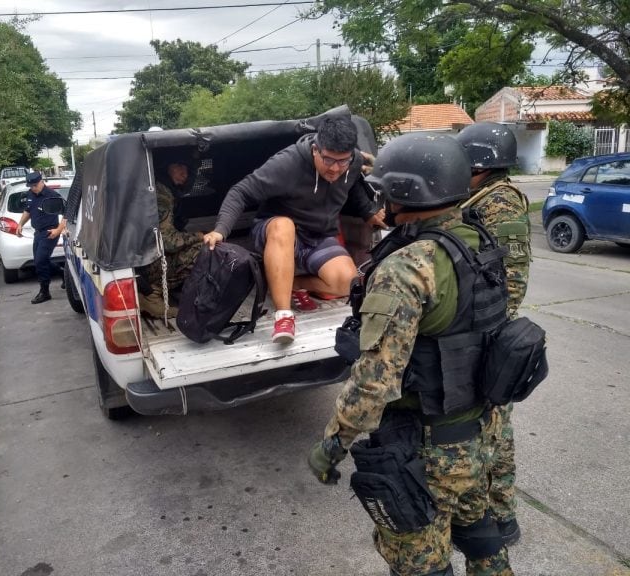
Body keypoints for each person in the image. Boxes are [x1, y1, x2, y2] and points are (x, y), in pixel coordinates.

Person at [308, 133, 514, 576]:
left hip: (426, 450)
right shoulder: (478, 241)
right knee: (481, 541)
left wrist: (333, 444)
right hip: (480, 436)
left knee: (420, 564)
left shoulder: (408, 266)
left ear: (406, 192)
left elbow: (375, 379)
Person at [202, 114, 385, 345]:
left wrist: (368, 212)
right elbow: (241, 191)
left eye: (342, 162)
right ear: (316, 149)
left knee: (348, 283)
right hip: (275, 231)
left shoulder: (353, 162)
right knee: (284, 225)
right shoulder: (287, 163)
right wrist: (221, 230)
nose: (335, 169)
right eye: (328, 160)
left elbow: (354, 184)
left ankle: (295, 284)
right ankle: (284, 316)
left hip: (318, 235)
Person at [457, 122, 532, 546]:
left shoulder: (499, 204)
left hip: (492, 333)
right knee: (492, 430)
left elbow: (513, 279)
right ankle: (497, 516)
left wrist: (484, 330)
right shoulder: (483, 197)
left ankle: (501, 519)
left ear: (482, 164)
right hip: (489, 329)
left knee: (495, 432)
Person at [137, 160, 202, 319]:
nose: (184, 174)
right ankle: (151, 294)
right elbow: (167, 242)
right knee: (202, 249)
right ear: (166, 167)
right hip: (144, 263)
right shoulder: (161, 195)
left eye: (187, 169)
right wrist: (199, 236)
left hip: (143, 258)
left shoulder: (158, 188)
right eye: (179, 166)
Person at [16, 171, 66, 304]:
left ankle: (45, 292)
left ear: (42, 182)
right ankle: (63, 272)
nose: (33, 188)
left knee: (39, 261)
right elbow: (28, 211)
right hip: (38, 233)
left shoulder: (52, 196)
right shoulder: (30, 194)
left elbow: (66, 215)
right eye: (31, 186)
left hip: (50, 232)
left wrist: (58, 230)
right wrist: (20, 224)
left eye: (35, 185)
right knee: (41, 261)